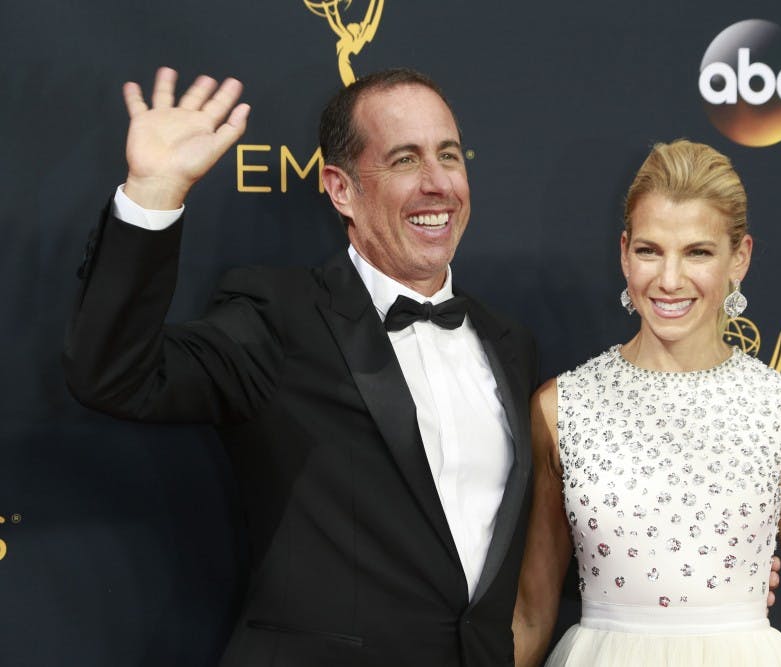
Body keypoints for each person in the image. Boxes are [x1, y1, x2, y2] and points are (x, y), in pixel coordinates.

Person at [63, 67, 539, 666]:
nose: (438, 182)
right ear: (341, 189)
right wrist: (153, 193)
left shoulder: (511, 344)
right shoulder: (279, 317)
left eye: (449, 154)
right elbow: (116, 375)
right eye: (403, 160)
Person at [512, 140, 781, 666]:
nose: (670, 280)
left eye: (697, 252)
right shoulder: (560, 406)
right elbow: (530, 613)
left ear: (739, 258)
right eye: (649, 250)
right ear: (623, 253)